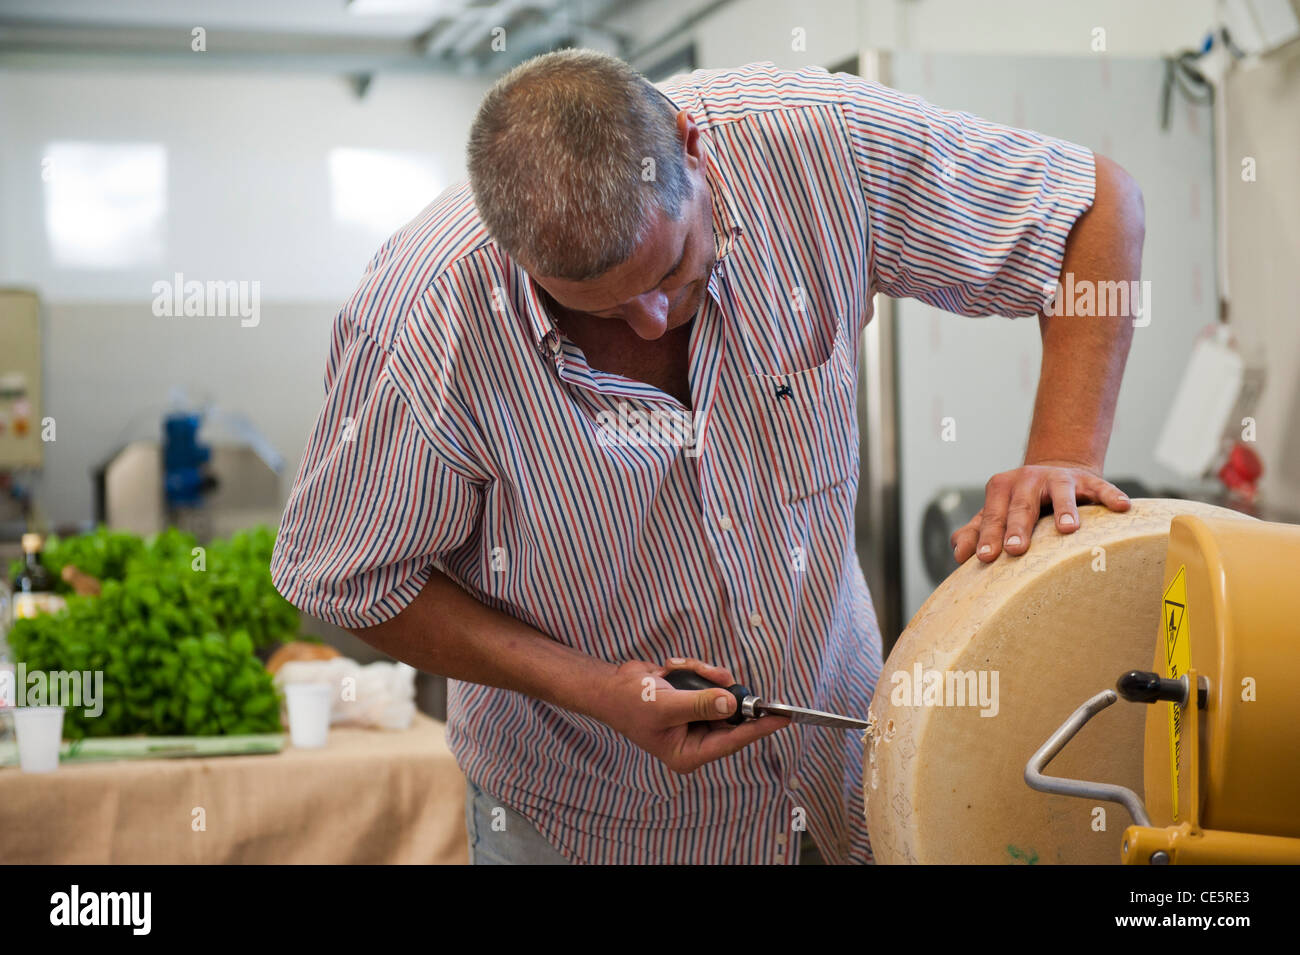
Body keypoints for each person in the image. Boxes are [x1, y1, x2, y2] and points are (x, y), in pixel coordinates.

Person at [271, 49, 1141, 864]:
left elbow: (1092, 205)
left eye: (674, 269)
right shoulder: (423, 321)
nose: (650, 319)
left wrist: (1061, 455)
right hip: (586, 824)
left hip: (839, 786)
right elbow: (342, 576)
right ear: (514, 252)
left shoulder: (814, 147)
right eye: (600, 310)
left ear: (692, 148)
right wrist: (592, 687)